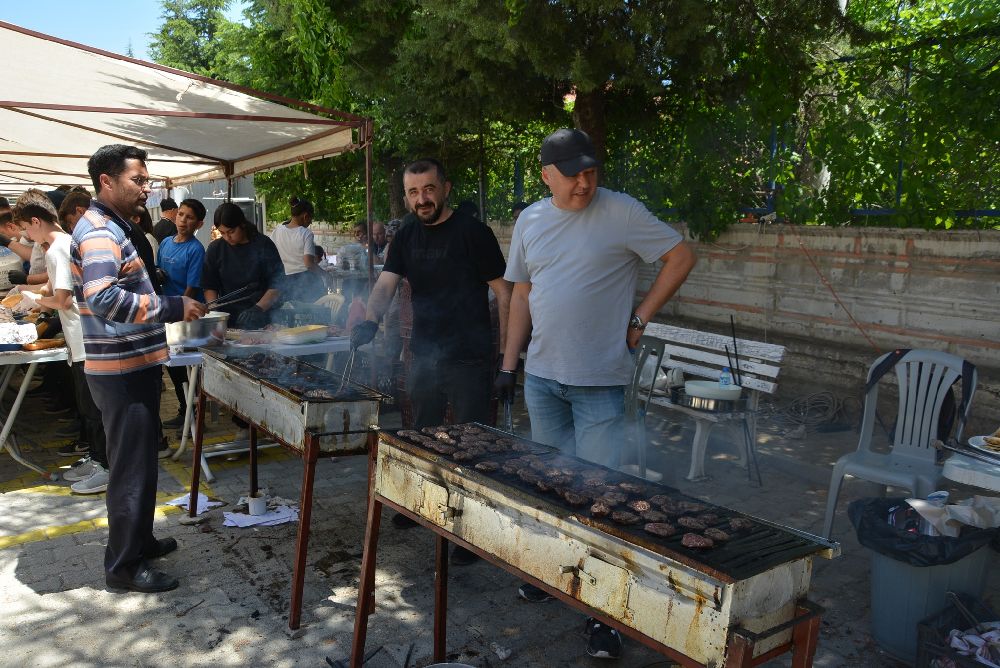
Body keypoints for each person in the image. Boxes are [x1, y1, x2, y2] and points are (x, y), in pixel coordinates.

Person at [495, 128, 697, 660]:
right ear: (547, 175)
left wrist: (640, 317)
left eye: (591, 172)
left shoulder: (622, 211)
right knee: (551, 483)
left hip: (600, 381)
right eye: (573, 174)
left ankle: (603, 612)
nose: (584, 183)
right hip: (542, 378)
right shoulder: (530, 220)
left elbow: (680, 257)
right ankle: (549, 573)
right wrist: (509, 364)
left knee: (601, 495)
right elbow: (521, 293)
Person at [351, 159, 511, 563]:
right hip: (424, 353)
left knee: (470, 444)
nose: (422, 199)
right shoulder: (404, 236)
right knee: (421, 434)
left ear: (445, 188)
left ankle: (471, 529)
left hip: (470, 357)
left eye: (428, 189)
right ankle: (422, 506)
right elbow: (387, 283)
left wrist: (508, 360)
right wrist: (370, 321)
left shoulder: (474, 234)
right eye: (413, 192)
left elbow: (505, 294)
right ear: (406, 197)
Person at [72, 144, 206, 593]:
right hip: (121, 371)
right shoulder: (97, 233)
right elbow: (103, 297)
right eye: (138, 180)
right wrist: (171, 306)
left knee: (142, 465)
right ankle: (124, 568)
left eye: (146, 180)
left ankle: (141, 541)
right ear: (106, 182)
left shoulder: (113, 226)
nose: (146, 189)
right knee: (130, 471)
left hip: (131, 364)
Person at [12, 190, 109, 495]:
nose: (26, 236)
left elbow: (63, 299)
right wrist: (36, 297)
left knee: (93, 409)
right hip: (81, 339)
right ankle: (96, 459)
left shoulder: (57, 250)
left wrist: (35, 300)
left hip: (85, 340)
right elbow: (53, 290)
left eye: (26, 229)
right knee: (87, 407)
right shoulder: (61, 244)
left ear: (37, 221)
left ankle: (104, 467)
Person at [157, 198, 207, 428]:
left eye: (190, 217)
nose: (183, 221)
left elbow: (192, 287)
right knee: (174, 369)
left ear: (199, 224)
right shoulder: (166, 242)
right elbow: (157, 272)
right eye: (181, 215)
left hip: (184, 317)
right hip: (166, 312)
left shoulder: (196, 249)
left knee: (187, 369)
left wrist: (180, 309)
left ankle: (195, 414)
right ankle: (184, 410)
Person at [202, 202, 283, 330]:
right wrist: (215, 311)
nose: (227, 237)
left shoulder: (263, 245)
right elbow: (209, 286)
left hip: (262, 318)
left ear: (242, 224)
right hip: (228, 320)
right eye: (222, 233)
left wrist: (258, 308)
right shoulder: (215, 249)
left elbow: (277, 284)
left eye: (231, 231)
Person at [270, 197, 328, 302]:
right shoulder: (306, 233)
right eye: (311, 218)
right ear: (306, 216)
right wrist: (325, 274)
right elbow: (309, 264)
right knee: (311, 313)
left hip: (283, 281)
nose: (310, 222)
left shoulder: (277, 230)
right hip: (304, 282)